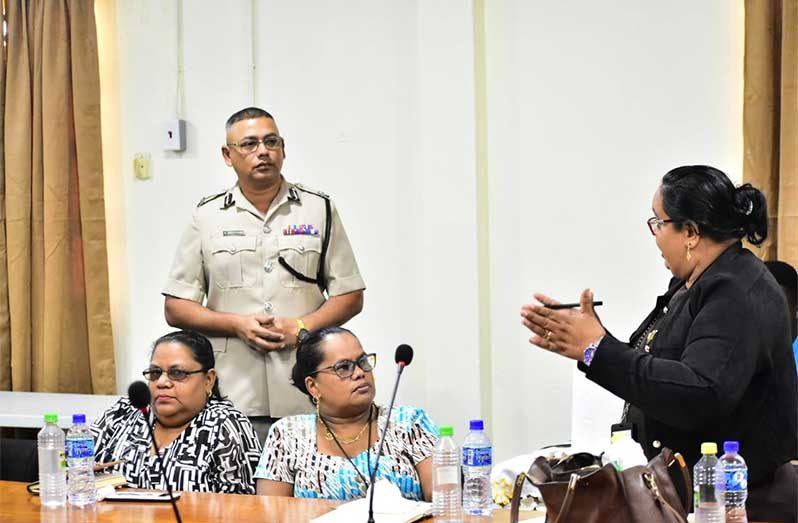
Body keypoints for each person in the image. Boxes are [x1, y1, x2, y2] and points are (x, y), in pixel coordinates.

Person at [520, 165, 798, 522]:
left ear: (691, 232)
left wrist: (598, 349)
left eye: (658, 222)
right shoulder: (695, 284)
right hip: (686, 496)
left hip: (736, 506)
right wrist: (592, 343)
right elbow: (660, 371)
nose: (653, 235)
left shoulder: (736, 292)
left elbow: (699, 393)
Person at [162, 107, 366, 440]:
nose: (263, 151)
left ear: (283, 149)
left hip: (308, 388)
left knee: (308, 488)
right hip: (234, 394)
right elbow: (176, 307)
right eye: (249, 144)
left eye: (271, 142)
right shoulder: (207, 215)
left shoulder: (319, 209)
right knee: (239, 491)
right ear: (228, 155)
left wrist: (300, 328)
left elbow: (350, 295)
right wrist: (236, 324)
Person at [254, 327, 438, 501]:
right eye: (343, 367)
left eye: (363, 361)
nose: (359, 373)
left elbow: (446, 501)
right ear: (313, 386)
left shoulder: (409, 422)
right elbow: (271, 514)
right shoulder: (288, 435)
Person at [91, 331, 261, 494]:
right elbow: (73, 468)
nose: (162, 382)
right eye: (155, 373)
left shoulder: (226, 425)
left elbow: (240, 507)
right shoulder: (124, 412)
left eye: (178, 373)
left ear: (208, 380)